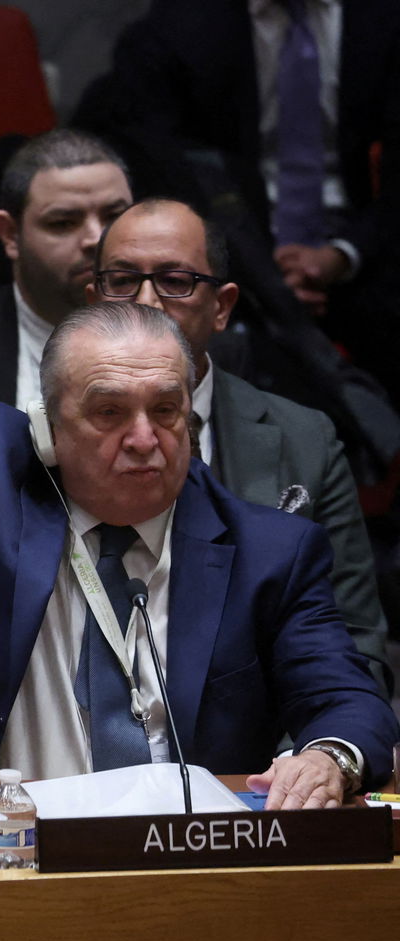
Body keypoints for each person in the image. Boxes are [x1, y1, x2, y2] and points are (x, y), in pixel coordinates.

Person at [0, 129, 397, 808]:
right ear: (52, 427)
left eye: (167, 410)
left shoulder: (270, 552)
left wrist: (329, 756)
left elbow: (348, 696)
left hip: (186, 862)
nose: (145, 438)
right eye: (109, 413)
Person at [88, 198, 388, 687]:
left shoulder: (305, 439)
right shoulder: (39, 436)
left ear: (222, 307)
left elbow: (354, 644)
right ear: (94, 301)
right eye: (122, 281)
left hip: (263, 747)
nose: (145, 302)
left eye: (175, 281)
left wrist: (311, 751)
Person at [75, 0, 400, 399]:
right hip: (233, 253)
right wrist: (256, 271)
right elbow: (143, 156)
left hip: (364, 248)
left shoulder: (383, 21)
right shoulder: (179, 27)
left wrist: (343, 254)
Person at [0, 129, 132, 417]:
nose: (96, 238)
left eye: (115, 216)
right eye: (64, 222)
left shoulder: (188, 328)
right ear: (11, 235)